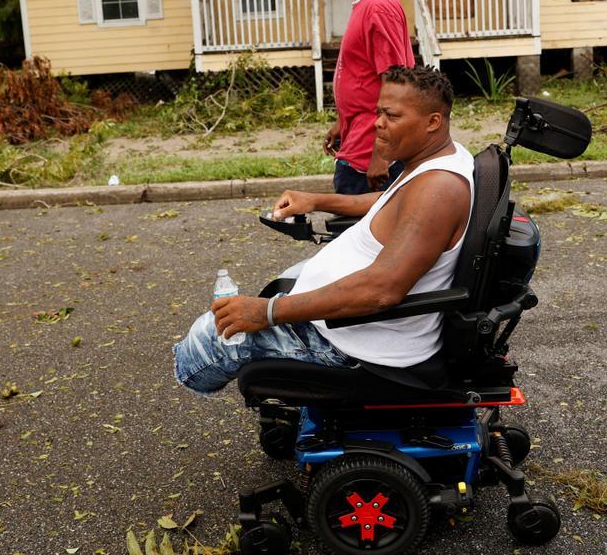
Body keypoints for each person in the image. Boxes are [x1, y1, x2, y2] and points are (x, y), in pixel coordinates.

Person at [173, 66, 473, 395]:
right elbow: (391, 201)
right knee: (249, 305)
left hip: (356, 344)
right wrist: (315, 200)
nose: (378, 123)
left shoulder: (438, 189)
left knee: (212, 337)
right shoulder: (438, 160)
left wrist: (268, 312)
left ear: (433, 122)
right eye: (378, 112)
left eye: (391, 115)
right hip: (348, 324)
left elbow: (383, 289)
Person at [325, 0, 416, 194]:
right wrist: (343, 122)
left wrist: (381, 155)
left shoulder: (378, 6)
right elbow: (366, 77)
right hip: (358, 142)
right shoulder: (368, 3)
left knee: (361, 235)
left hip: (368, 159)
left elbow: (396, 84)